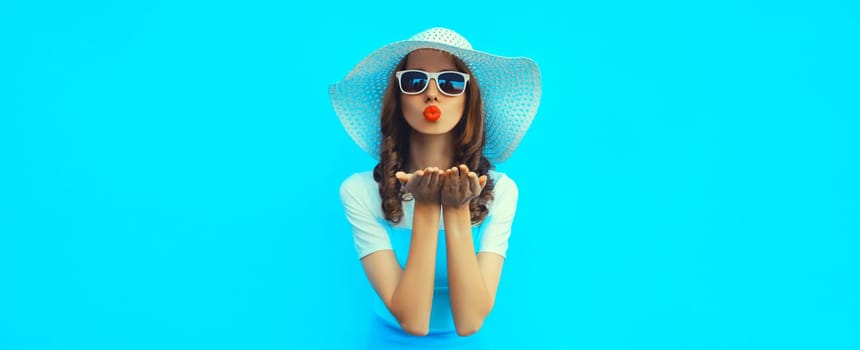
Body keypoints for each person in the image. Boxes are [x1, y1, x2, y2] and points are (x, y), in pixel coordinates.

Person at [329, 27, 541, 348]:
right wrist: (427, 206)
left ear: (470, 99)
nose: (432, 94)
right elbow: (413, 319)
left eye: (450, 82)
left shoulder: (502, 191)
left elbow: (470, 321)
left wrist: (455, 209)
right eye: (415, 81)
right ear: (398, 98)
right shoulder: (359, 191)